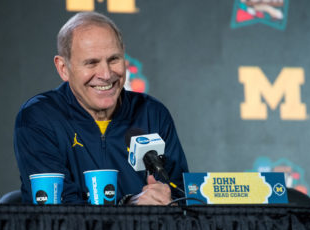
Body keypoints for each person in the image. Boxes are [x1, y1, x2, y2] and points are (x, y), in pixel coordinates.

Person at [14, 12, 188, 205]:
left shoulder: (152, 113)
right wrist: (131, 208)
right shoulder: (39, 118)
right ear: (63, 68)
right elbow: (58, 212)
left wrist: (167, 199)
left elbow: (183, 196)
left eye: (114, 59)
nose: (106, 74)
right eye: (91, 63)